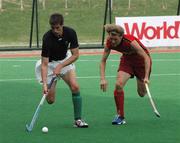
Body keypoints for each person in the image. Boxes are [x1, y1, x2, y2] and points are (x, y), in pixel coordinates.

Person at [35, 13, 88, 128]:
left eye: (57, 27)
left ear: (62, 25)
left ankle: (78, 120)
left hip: (64, 60)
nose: (55, 30)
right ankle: (52, 82)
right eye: (52, 28)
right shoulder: (47, 38)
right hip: (50, 65)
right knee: (50, 100)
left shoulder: (70, 33)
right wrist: (45, 84)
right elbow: (44, 64)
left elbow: (75, 55)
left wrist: (60, 66)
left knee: (75, 87)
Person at [100, 24, 152, 125]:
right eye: (111, 38)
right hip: (127, 60)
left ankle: (143, 81)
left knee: (141, 94)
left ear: (121, 36)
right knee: (118, 84)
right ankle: (120, 116)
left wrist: (146, 76)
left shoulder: (131, 42)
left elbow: (146, 58)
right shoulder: (109, 42)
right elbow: (103, 61)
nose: (113, 41)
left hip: (141, 62)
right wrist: (103, 78)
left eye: (115, 39)